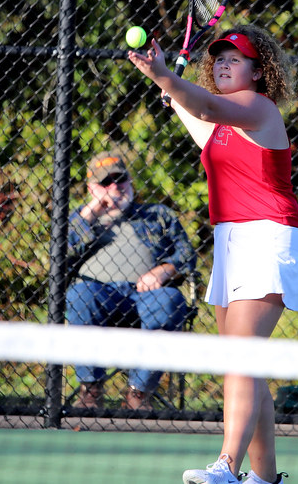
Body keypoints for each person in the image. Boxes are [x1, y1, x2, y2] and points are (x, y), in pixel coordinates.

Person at [129, 24, 298, 484]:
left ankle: (227, 466)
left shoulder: (258, 107)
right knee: (245, 360)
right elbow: (197, 114)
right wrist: (166, 85)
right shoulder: (224, 129)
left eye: (236, 58)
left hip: (270, 236)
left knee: (240, 358)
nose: (224, 63)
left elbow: (204, 104)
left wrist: (167, 78)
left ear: (258, 70)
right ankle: (265, 478)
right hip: (231, 242)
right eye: (220, 58)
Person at [66, 150, 197, 410]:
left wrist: (163, 270)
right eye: (106, 182)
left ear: (130, 182)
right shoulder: (79, 218)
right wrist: (92, 212)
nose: (116, 187)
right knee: (79, 296)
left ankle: (139, 393)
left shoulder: (156, 214)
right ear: (93, 189)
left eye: (121, 179)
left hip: (146, 294)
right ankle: (91, 390)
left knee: (171, 299)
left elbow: (186, 253)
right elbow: (60, 253)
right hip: (98, 294)